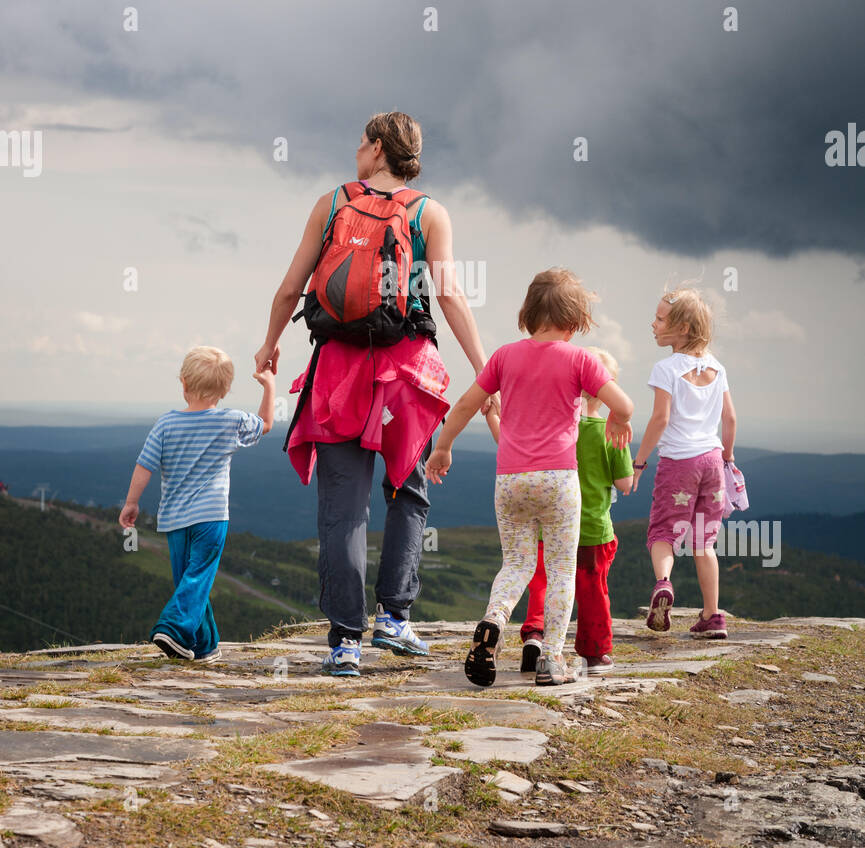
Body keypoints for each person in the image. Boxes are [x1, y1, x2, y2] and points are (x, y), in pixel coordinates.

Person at [255, 112, 489, 677]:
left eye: (361, 144)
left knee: (343, 509)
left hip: (337, 370)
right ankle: (395, 617)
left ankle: (344, 642)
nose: (356, 153)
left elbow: (292, 287)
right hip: (406, 371)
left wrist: (268, 345)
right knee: (406, 490)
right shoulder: (430, 212)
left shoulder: (332, 203)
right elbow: (451, 296)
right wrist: (487, 373)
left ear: (378, 149)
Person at [426, 268, 633, 687]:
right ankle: (552, 660)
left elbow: (468, 403)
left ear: (528, 312)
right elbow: (624, 404)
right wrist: (617, 419)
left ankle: (493, 621)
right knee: (559, 569)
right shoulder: (580, 359)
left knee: (517, 563)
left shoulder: (504, 356)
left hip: (511, 479)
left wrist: (443, 446)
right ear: (575, 322)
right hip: (558, 480)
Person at [119, 346, 275, 661]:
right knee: (196, 579)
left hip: (174, 519)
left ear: (184, 384)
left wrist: (131, 503)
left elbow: (143, 466)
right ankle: (189, 637)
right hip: (212, 517)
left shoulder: (165, 424)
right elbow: (266, 424)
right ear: (226, 389)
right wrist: (269, 384)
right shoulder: (231, 421)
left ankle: (191, 640)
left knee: (188, 578)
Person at [519, 348, 634, 675]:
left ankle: (537, 636)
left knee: (547, 582)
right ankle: (594, 654)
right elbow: (624, 483)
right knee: (592, 590)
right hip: (592, 529)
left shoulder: (557, 428)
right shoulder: (612, 432)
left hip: (551, 526)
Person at [632, 287, 737, 639]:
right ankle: (713, 615)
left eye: (661, 319)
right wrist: (728, 457)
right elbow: (731, 420)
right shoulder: (718, 367)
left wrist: (639, 461)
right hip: (711, 461)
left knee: (663, 532)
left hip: (679, 463)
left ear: (685, 329)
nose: (653, 324)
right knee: (703, 542)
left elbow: (659, 420)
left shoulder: (666, 369)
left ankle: (663, 584)